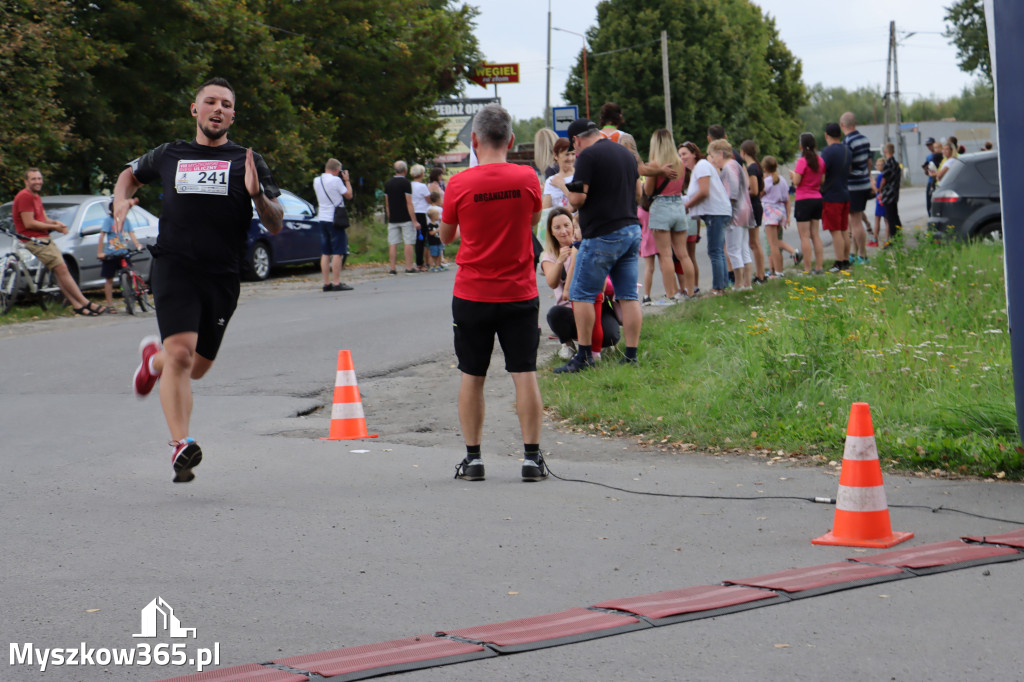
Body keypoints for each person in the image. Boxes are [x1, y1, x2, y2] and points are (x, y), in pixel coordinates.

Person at [111, 76, 284, 483]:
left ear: (233, 116)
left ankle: (153, 361)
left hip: (223, 275)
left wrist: (258, 196)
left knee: (196, 366)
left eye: (226, 104)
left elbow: (275, 225)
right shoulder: (170, 153)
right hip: (175, 265)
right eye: (210, 102)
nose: (218, 109)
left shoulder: (248, 160)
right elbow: (129, 174)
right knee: (183, 355)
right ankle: (180, 445)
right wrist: (120, 199)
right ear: (196, 109)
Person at [439, 103, 546, 482]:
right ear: (511, 140)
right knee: (525, 373)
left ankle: (474, 459)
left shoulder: (458, 183)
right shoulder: (527, 177)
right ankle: (531, 459)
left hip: (472, 294)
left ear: (474, 140)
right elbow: (532, 220)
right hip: (519, 292)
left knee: (472, 375)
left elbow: (446, 236)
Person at [555, 118, 643, 372]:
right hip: (631, 230)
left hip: (603, 233)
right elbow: (638, 193)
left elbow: (578, 198)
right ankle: (631, 355)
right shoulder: (625, 153)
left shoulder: (588, 156)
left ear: (576, 140)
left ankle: (584, 357)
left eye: (574, 147)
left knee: (580, 293)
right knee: (628, 294)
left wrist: (562, 186)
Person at [12, 168, 114, 316]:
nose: (37, 181)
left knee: (60, 271)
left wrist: (57, 223)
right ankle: (86, 303)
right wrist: (54, 228)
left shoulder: (35, 196)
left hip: (43, 238)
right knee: (62, 270)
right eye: (33, 179)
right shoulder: (25, 196)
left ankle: (77, 305)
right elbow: (29, 223)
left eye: (39, 178)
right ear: (26, 181)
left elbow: (43, 219)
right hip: (34, 239)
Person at [541, 206, 620, 358]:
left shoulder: (586, 245)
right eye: (557, 227)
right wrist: (560, 261)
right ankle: (569, 345)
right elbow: (552, 283)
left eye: (567, 225)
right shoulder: (549, 255)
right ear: (551, 231)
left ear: (574, 225)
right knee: (554, 314)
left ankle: (597, 348)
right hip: (568, 309)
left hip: (596, 304)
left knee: (610, 335)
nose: (563, 231)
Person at [645, 129, 695, 302]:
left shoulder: (654, 165)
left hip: (661, 207)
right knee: (683, 254)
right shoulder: (680, 163)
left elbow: (649, 191)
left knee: (666, 255)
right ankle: (690, 292)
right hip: (678, 206)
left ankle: (670, 295)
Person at [680, 141, 731, 294]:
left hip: (715, 212)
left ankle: (718, 288)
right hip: (717, 211)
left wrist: (686, 206)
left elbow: (704, 192)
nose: (681, 158)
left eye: (684, 154)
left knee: (714, 250)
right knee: (718, 251)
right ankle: (722, 286)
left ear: (694, 153)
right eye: (679, 155)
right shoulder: (699, 168)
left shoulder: (701, 166)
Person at [709, 139, 754, 290]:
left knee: (733, 250)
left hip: (735, 213)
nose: (713, 160)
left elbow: (732, 191)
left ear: (721, 154)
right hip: (746, 210)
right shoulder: (737, 165)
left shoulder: (728, 168)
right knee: (744, 249)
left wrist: (727, 210)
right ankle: (747, 283)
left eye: (713, 156)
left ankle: (739, 284)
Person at [313, 158, 354, 292]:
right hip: (335, 219)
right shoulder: (336, 180)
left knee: (325, 252)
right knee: (338, 252)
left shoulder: (316, 180)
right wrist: (346, 180)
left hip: (322, 218)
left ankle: (326, 283)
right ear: (337, 170)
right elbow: (348, 195)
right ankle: (336, 282)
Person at [839, 112, 872, 265]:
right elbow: (869, 162)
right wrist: (868, 176)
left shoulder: (847, 142)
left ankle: (862, 255)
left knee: (856, 221)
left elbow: (848, 165)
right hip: (864, 182)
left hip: (853, 184)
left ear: (842, 125)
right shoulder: (864, 139)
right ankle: (853, 252)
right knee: (853, 220)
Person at [791, 133, 825, 275]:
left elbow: (796, 182)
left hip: (803, 199)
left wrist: (793, 175)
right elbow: (822, 180)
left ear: (801, 146)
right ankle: (819, 267)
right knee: (815, 235)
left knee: (804, 236)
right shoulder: (820, 161)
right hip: (817, 198)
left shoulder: (802, 161)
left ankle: (807, 269)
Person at [97, 205, 142, 310]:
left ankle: (131, 297)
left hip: (124, 253)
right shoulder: (108, 221)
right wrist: (100, 252)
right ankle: (110, 305)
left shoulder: (126, 220)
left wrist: (137, 245)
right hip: (111, 254)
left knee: (130, 272)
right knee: (109, 279)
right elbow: (102, 236)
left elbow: (131, 234)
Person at [760, 155, 798, 277]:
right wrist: (787, 217)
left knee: (773, 244)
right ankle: (779, 270)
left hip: (770, 212)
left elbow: (759, 194)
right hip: (780, 211)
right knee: (776, 241)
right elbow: (787, 199)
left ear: (765, 168)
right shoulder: (782, 180)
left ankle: (778, 270)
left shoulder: (766, 182)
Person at [821, 122, 852, 272]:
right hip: (845, 193)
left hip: (831, 196)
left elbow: (822, 173)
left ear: (826, 135)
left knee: (835, 231)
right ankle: (846, 260)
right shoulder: (847, 150)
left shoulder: (827, 152)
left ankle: (838, 262)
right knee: (844, 229)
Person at [739, 140, 766, 283]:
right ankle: (761, 273)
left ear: (743, 152)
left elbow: (754, 190)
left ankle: (760, 275)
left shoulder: (751, 168)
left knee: (754, 243)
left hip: (753, 206)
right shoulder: (757, 166)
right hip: (757, 205)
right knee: (754, 243)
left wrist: (741, 193)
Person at [384, 161, 418, 275]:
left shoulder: (388, 184)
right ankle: (408, 267)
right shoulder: (406, 183)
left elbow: (387, 203)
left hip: (393, 218)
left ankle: (392, 268)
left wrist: (390, 216)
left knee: (393, 243)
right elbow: (409, 203)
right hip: (405, 218)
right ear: (405, 170)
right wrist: (414, 220)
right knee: (408, 242)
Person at [878, 142, 902, 243]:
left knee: (890, 217)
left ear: (885, 151)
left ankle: (893, 238)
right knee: (895, 215)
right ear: (894, 151)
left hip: (888, 194)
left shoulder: (887, 164)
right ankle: (899, 235)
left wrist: (880, 189)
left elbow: (884, 179)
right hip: (895, 193)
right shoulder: (896, 164)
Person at [409, 164, 432, 272]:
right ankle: (420, 263)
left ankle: (419, 262)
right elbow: (428, 199)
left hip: (413, 212)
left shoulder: (410, 185)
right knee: (421, 239)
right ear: (421, 174)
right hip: (422, 212)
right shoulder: (422, 186)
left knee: (417, 238)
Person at [542, 137, 575, 209]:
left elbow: (578, 204)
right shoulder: (550, 181)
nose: (570, 158)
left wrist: (562, 186)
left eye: (573, 154)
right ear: (556, 155)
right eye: (567, 154)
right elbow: (545, 210)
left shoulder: (580, 176)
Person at [922, 137, 943, 216]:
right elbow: (927, 171)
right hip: (931, 180)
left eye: (930, 145)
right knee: (929, 202)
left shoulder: (941, 155)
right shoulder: (929, 157)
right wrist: (926, 170)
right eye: (927, 145)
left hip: (938, 180)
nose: (929, 147)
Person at [425, 206, 446, 271]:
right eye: (437, 215)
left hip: (438, 241)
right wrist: (437, 230)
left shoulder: (437, 225)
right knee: (432, 255)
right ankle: (431, 266)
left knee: (438, 254)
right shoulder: (430, 225)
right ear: (433, 216)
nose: (439, 216)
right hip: (432, 243)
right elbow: (431, 233)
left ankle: (437, 265)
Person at [872, 157, 887, 245]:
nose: (877, 167)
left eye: (878, 165)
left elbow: (877, 189)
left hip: (880, 199)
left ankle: (875, 238)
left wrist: (872, 184)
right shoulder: (886, 174)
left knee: (877, 219)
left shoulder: (881, 175)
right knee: (886, 219)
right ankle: (886, 239)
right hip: (885, 198)